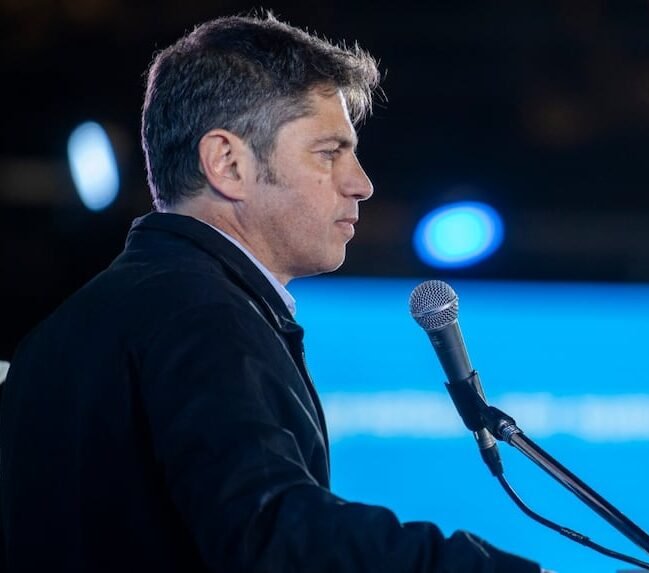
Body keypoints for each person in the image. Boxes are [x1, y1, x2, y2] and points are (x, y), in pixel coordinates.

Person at [0, 14, 541, 573]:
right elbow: (276, 536)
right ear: (227, 163)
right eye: (328, 152)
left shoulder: (58, 335)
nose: (361, 183)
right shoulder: (204, 314)